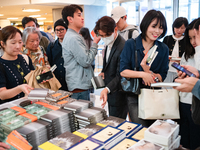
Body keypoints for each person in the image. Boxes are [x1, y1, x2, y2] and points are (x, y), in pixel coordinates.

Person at [120, 10, 168, 126]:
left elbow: (163, 75)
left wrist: (152, 75)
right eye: (154, 26)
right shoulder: (131, 44)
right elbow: (123, 71)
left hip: (154, 95)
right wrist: (143, 74)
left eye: (161, 28)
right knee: (139, 129)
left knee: (154, 129)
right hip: (135, 94)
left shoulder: (163, 48)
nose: (157, 31)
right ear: (146, 25)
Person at [61, 4, 101, 100]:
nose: (82, 18)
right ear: (70, 19)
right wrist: (95, 43)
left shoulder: (74, 36)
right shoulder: (73, 38)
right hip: (80, 88)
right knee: (84, 114)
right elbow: (86, 61)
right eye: (79, 15)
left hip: (80, 85)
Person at [94, 16, 127, 119]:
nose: (104, 39)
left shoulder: (123, 46)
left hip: (119, 94)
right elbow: (108, 62)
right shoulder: (108, 43)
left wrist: (107, 89)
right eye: (102, 36)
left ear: (115, 29)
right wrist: (104, 71)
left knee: (117, 123)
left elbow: (121, 74)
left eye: (107, 35)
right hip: (111, 92)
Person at [178, 19, 200, 149]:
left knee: (196, 137)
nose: (194, 42)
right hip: (184, 100)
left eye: (196, 37)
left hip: (196, 102)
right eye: (191, 38)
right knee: (184, 136)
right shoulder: (187, 54)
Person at [0, 26, 34, 104]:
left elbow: (33, 79)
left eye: (20, 42)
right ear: (3, 44)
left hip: (29, 104)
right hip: (9, 110)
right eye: (13, 43)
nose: (18, 46)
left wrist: (41, 76)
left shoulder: (25, 58)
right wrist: (20, 88)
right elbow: (2, 94)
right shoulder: (1, 64)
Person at [163, 17, 188, 83]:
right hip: (167, 69)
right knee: (167, 89)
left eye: (182, 28)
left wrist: (181, 59)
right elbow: (162, 53)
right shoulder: (167, 39)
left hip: (181, 71)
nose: (179, 30)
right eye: (177, 28)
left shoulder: (187, 40)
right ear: (173, 27)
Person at [46, 19, 68, 91]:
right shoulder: (52, 46)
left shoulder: (71, 45)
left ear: (66, 30)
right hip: (56, 79)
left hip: (69, 78)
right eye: (56, 30)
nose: (59, 32)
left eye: (61, 29)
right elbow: (49, 61)